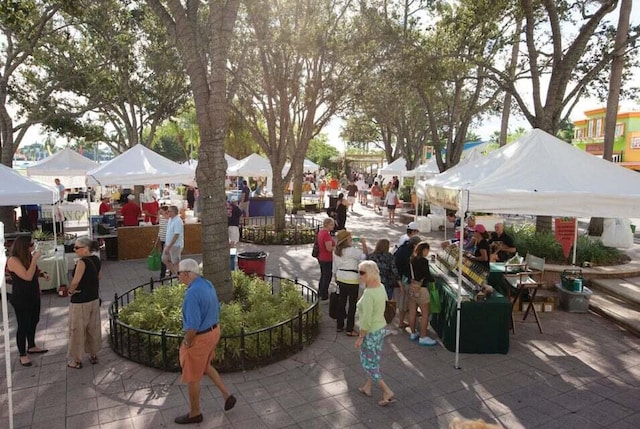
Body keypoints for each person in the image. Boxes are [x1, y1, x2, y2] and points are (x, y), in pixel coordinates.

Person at [174, 259, 236, 424]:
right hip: (214, 331)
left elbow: (193, 326)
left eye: (179, 273)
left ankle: (195, 413)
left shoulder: (192, 293)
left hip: (200, 338)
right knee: (206, 367)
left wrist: (186, 343)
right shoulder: (207, 283)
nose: (178, 276)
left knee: (193, 376)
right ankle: (227, 395)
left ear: (187, 274)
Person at [354, 260, 396, 407]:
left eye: (362, 272)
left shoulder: (369, 294)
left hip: (371, 332)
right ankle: (368, 387)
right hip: (381, 329)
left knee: (368, 364)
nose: (359, 275)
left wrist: (360, 337)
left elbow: (366, 319)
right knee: (374, 359)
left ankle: (387, 391)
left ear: (370, 274)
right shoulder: (381, 287)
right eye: (359, 272)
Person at [7, 236, 49, 366]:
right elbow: (27, 276)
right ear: (24, 246)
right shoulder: (13, 260)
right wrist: (35, 259)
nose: (33, 246)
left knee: (33, 321)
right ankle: (22, 354)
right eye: (31, 244)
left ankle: (31, 345)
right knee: (23, 326)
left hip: (33, 295)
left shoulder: (27, 256)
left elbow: (34, 272)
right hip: (21, 298)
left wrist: (42, 274)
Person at [67, 237, 102, 369]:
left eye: (77, 247)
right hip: (93, 298)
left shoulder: (81, 262)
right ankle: (93, 354)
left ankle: (77, 360)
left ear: (86, 249)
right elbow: (99, 276)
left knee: (77, 330)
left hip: (80, 301)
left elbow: (76, 281)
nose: (74, 250)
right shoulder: (96, 259)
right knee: (92, 328)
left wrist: (70, 291)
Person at [333, 230, 368, 336]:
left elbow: (334, 266)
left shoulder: (336, 250)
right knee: (352, 304)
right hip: (352, 279)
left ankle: (339, 325)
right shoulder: (352, 250)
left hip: (340, 277)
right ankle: (349, 328)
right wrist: (363, 243)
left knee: (341, 302)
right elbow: (365, 256)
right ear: (347, 239)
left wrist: (335, 277)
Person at [408, 241, 437, 346]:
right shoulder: (423, 261)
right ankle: (423, 336)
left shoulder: (412, 259)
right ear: (424, 250)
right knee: (425, 313)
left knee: (412, 312)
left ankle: (412, 333)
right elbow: (427, 275)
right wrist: (434, 279)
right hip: (421, 288)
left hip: (412, 287)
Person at [394, 236, 421, 330]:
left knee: (403, 301)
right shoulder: (410, 254)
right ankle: (403, 322)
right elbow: (410, 267)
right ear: (414, 245)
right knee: (406, 301)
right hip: (406, 279)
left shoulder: (402, 248)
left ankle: (402, 320)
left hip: (400, 277)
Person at [316, 217, 335, 301]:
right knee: (327, 276)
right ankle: (324, 294)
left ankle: (320, 292)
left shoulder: (321, 232)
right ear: (327, 224)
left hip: (321, 257)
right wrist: (336, 246)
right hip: (326, 258)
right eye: (331, 224)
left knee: (323, 275)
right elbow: (329, 248)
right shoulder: (326, 235)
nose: (333, 226)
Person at [163, 205, 184, 277]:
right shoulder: (170, 219)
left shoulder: (178, 221)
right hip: (168, 244)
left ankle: (178, 277)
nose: (167, 212)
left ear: (174, 212)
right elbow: (164, 216)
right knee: (164, 259)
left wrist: (169, 247)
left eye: (169, 211)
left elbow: (176, 235)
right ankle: (175, 275)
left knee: (175, 262)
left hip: (175, 245)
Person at [157, 206, 169, 279]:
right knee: (163, 257)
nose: (160, 212)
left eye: (161, 211)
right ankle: (163, 273)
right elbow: (160, 229)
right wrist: (158, 239)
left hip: (167, 240)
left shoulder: (170, 220)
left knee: (165, 257)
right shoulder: (161, 219)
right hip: (162, 239)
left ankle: (164, 274)